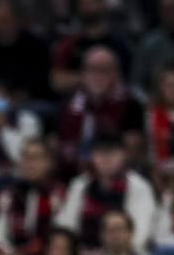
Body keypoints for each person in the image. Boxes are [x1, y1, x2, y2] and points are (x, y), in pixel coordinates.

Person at [56, 133, 156, 255]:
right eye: (100, 153)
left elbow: (139, 235)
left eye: (112, 153)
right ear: (92, 156)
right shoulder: (80, 185)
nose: (106, 159)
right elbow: (68, 226)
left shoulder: (139, 187)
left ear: (123, 155)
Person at [56, 47, 145, 175]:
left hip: (117, 177)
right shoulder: (68, 105)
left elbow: (131, 150)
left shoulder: (130, 105)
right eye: (92, 69)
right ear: (83, 74)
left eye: (104, 70)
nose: (97, 76)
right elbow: (61, 146)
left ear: (116, 73)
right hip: (73, 175)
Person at [0, 138, 66, 255]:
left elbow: (60, 235)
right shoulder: (9, 194)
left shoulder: (57, 194)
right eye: (25, 157)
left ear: (48, 162)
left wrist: (23, 254)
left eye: (35, 157)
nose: (29, 163)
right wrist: (4, 252)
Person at [50, 0, 133, 96]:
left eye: (92, 0)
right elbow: (56, 81)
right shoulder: (68, 45)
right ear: (76, 7)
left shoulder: (120, 44)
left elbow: (127, 80)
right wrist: (90, 78)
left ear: (103, 2)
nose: (88, 6)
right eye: (82, 2)